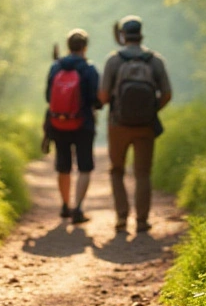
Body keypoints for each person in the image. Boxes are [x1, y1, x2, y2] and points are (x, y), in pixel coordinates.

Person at [99, 15, 172, 233]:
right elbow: (167, 94)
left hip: (117, 125)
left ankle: (122, 218)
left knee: (117, 170)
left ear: (122, 36)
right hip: (146, 126)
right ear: (141, 34)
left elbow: (103, 96)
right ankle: (142, 221)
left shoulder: (114, 60)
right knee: (143, 173)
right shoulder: (155, 60)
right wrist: (151, 110)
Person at [46, 29, 100, 224]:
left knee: (63, 166)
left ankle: (64, 205)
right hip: (84, 123)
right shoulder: (89, 69)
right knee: (84, 166)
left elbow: (47, 97)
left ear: (68, 46)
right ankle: (77, 208)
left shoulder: (55, 67)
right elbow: (96, 98)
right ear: (85, 47)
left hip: (58, 123)